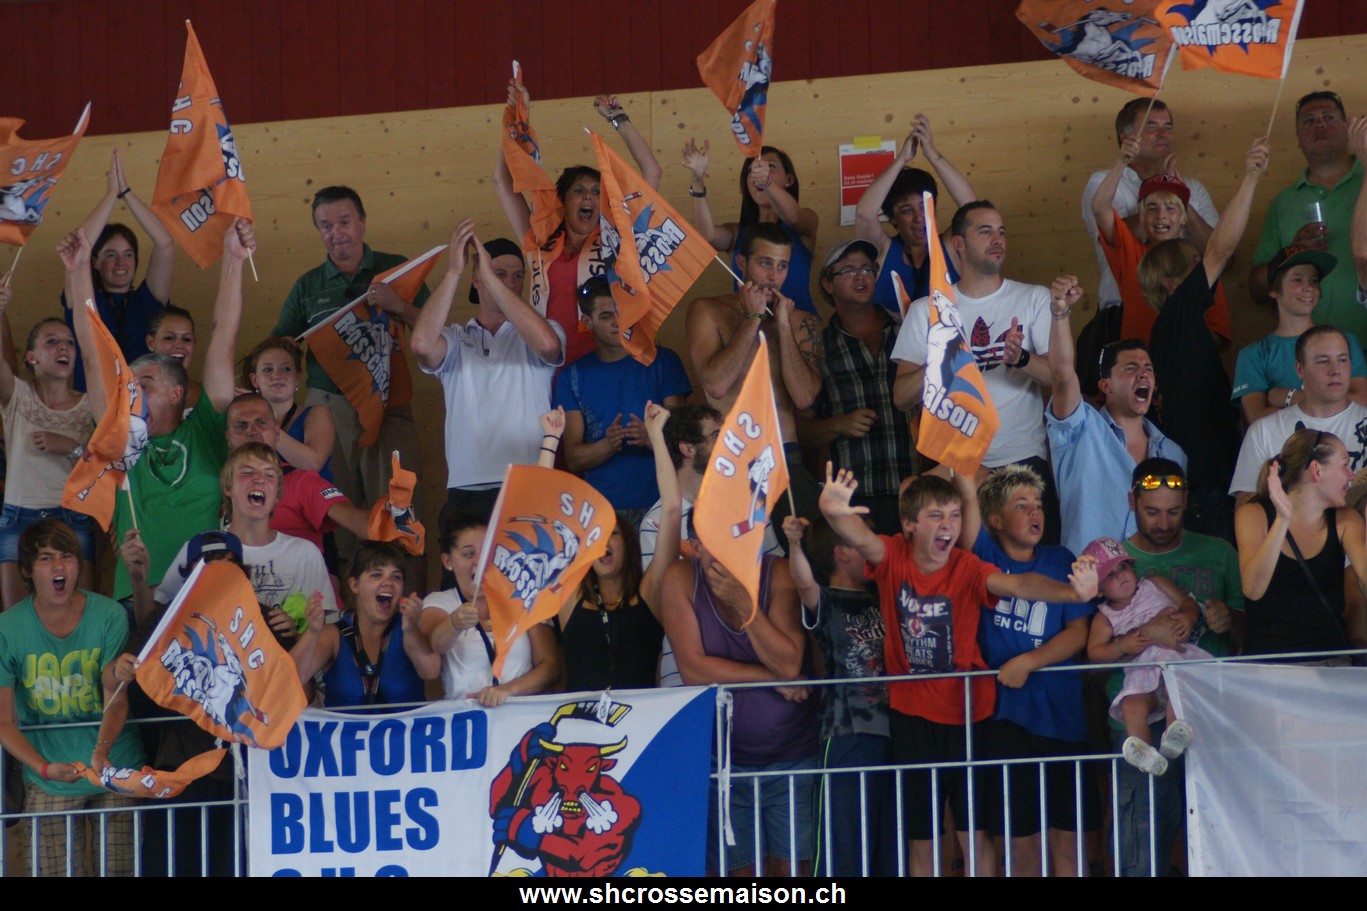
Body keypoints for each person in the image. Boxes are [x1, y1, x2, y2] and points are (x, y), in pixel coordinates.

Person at [818, 464, 1098, 877]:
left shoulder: (967, 566)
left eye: (953, 515)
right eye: (936, 516)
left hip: (970, 716)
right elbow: (857, 535)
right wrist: (832, 510)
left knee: (974, 836)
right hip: (912, 719)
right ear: (910, 525)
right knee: (923, 840)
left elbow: (1020, 585)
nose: (948, 525)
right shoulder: (893, 555)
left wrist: (1071, 592)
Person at [64, 218, 247, 606]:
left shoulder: (206, 428)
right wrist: (78, 271)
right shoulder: (120, 433)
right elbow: (91, 352)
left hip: (207, 597)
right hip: (138, 599)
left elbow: (224, 337)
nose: (131, 392)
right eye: (130, 385)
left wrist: (234, 259)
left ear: (177, 392)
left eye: (143, 383)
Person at [272, 185, 428, 559]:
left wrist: (398, 305)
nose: (336, 232)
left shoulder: (396, 269)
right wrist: (290, 349)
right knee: (338, 507)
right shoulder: (307, 286)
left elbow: (434, 332)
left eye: (344, 222)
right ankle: (348, 592)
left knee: (399, 506)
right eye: (326, 226)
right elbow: (278, 346)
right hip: (329, 408)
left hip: (388, 401)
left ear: (362, 222)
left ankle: (406, 589)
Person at [660, 511, 817, 877]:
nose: (729, 552)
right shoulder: (680, 578)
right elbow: (694, 671)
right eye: (715, 543)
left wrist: (746, 605)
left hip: (792, 756)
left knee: (794, 870)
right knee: (739, 874)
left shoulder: (777, 572)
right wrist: (769, 679)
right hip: (724, 762)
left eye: (735, 538)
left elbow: (789, 663)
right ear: (695, 548)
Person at [892, 201, 1060, 541]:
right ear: (959, 244)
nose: (997, 240)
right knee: (959, 568)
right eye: (985, 232)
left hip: (1022, 461)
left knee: (1031, 563)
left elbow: (1059, 379)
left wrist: (1022, 359)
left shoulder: (1034, 298)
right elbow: (901, 398)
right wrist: (939, 361)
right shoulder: (927, 310)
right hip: (956, 465)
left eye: (1001, 232)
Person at [960, 466, 1097, 878]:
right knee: (1021, 846)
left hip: (1063, 716)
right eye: (1021, 506)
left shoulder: (1061, 559)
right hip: (1007, 719)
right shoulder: (983, 555)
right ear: (995, 520)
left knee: (1069, 844)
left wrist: (1028, 662)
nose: (1034, 512)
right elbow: (966, 493)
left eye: (1038, 505)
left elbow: (1079, 633)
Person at [1137, 135, 1270, 538]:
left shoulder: (1178, 331)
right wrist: (1250, 179)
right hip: (1204, 490)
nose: (1204, 274)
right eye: (1194, 266)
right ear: (1174, 284)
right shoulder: (1176, 320)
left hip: (1207, 478)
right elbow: (1220, 250)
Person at [0, 519, 145, 877]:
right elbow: (3, 722)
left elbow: (115, 697)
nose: (59, 566)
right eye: (46, 558)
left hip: (114, 767)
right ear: (26, 571)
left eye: (67, 556)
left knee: (120, 870)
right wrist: (42, 767)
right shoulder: (8, 628)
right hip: (49, 774)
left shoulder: (109, 615)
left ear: (79, 566)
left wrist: (102, 752)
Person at [410, 219, 564, 524]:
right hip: (465, 487)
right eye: (499, 274)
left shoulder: (543, 330)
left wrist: (490, 278)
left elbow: (548, 345)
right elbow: (421, 345)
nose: (509, 282)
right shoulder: (456, 339)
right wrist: (454, 272)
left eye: (517, 276)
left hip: (527, 481)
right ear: (477, 281)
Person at [495, 88, 661, 364]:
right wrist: (514, 122)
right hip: (544, 366)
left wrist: (618, 118)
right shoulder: (539, 238)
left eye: (597, 192)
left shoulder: (616, 237)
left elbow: (652, 172)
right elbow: (502, 181)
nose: (589, 197)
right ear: (563, 200)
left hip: (602, 365)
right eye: (579, 190)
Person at [685, 221, 823, 528]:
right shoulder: (707, 310)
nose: (774, 276)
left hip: (784, 455)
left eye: (782, 266)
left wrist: (783, 326)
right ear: (742, 262)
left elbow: (804, 397)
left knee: (803, 550)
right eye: (765, 263)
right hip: (732, 457)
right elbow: (716, 384)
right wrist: (752, 319)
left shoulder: (802, 322)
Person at [780, 514, 896, 877]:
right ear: (842, 552)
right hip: (846, 734)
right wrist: (794, 544)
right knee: (843, 844)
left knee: (890, 845)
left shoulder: (884, 594)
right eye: (863, 540)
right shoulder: (827, 600)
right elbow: (804, 584)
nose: (873, 547)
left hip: (895, 732)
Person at [1045, 275, 1188, 556]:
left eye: (1148, 368)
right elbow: (1062, 375)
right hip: (1086, 578)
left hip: (1151, 580)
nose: (1143, 373)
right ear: (1105, 385)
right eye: (1131, 368)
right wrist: (1060, 313)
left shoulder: (1174, 453)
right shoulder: (1080, 430)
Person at [555, 403, 677, 692]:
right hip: (577, 719)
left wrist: (656, 435)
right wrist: (550, 441)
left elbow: (672, 509)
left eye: (613, 534)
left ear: (629, 544)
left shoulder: (650, 594)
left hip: (643, 719)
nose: (603, 542)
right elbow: (544, 525)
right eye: (595, 536)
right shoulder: (570, 599)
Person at [801, 239, 916, 535]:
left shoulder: (906, 329)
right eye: (849, 270)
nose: (861, 276)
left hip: (915, 489)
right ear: (828, 283)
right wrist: (839, 424)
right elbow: (800, 431)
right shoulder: (820, 346)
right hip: (854, 499)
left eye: (867, 269)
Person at [553, 278, 690, 526]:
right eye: (606, 316)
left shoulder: (663, 361)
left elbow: (687, 441)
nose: (617, 322)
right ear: (587, 321)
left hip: (664, 503)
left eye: (622, 313)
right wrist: (607, 445)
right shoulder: (571, 376)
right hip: (602, 509)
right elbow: (573, 459)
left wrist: (653, 439)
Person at [153, 442, 339, 624]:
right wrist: (140, 578)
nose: (259, 479)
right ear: (228, 487)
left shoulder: (305, 553)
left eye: (269, 475)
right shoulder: (201, 548)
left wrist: (295, 634)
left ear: (277, 495)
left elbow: (328, 631)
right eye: (247, 472)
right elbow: (159, 618)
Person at [0, 284, 95, 608]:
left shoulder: (90, 406)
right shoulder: (17, 396)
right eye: (51, 341)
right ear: (32, 357)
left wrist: (70, 446)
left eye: (69, 342)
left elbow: (103, 469)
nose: (63, 347)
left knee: (82, 617)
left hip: (73, 517)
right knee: (16, 621)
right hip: (18, 516)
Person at [1081, 99, 1219, 320]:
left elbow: (1220, 256)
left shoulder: (1193, 188)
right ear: (1126, 137)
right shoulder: (1104, 183)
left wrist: (1180, 197)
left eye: (1168, 127)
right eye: (1151, 126)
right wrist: (1160, 189)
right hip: (1123, 312)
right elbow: (1117, 239)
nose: (1163, 134)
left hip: (1189, 311)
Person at [1235, 429, 1367, 657]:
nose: (1351, 475)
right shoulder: (1253, 514)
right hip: (1267, 664)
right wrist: (1282, 520)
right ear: (1317, 470)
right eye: (1345, 465)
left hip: (1330, 663)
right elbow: (1253, 589)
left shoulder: (1345, 520)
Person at [1084, 537, 1206, 778]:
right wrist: (1120, 646)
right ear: (1098, 590)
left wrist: (1188, 617)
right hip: (1141, 671)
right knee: (1131, 706)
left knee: (1175, 689)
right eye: (1109, 575)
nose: (1120, 575)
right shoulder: (1105, 617)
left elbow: (1188, 603)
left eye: (1123, 566)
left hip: (1173, 659)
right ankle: (1146, 755)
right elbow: (1095, 653)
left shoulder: (1155, 583)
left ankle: (1173, 735)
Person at [1250, 92, 1364, 338]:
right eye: (1309, 121)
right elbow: (1258, 290)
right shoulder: (1283, 202)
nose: (1319, 124)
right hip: (1307, 351)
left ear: (1347, 128)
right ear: (1298, 138)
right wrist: (1292, 252)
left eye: (1328, 117)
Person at [418, 514, 562, 706]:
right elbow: (434, 645)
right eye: (469, 554)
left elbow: (551, 668)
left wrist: (507, 690)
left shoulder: (524, 595)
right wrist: (454, 623)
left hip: (523, 717)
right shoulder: (441, 601)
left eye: (488, 552)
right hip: (466, 718)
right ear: (447, 561)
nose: (480, 561)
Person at [62, 149, 175, 392]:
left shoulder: (147, 300)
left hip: (145, 406)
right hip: (93, 404)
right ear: (94, 261)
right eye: (110, 254)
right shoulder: (84, 295)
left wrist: (126, 193)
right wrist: (110, 196)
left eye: (128, 254)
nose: (121, 262)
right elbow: (80, 247)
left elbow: (165, 243)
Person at [1090, 158, 1232, 345]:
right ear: (1142, 217)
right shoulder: (1130, 253)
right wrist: (1123, 161)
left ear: (1183, 218)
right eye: (1152, 208)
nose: (1161, 215)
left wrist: (1186, 324)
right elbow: (1100, 208)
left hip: (1187, 360)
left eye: (1171, 208)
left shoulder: (1201, 266)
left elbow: (1219, 337)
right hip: (1139, 360)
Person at [1229, 325, 1367, 505]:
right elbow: (1246, 507)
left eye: (1342, 359)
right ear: (1300, 369)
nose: (1335, 370)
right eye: (1323, 361)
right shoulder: (1263, 431)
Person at [853, 114, 978, 312]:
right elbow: (864, 214)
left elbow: (973, 209)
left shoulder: (950, 247)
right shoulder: (884, 251)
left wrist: (932, 155)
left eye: (923, 206)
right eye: (906, 211)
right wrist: (902, 159)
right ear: (893, 218)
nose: (919, 218)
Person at [292, 540, 439, 708]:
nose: (388, 582)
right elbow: (289, 679)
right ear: (355, 585)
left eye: (396, 576)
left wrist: (412, 630)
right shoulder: (333, 635)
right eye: (376, 574)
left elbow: (431, 671)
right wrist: (312, 631)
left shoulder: (408, 629)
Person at [223, 393, 370, 555]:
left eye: (261, 423)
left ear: (277, 433)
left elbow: (354, 519)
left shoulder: (303, 481)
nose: (252, 431)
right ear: (228, 438)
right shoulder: (217, 483)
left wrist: (390, 515)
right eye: (241, 425)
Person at [1231, 248, 1367, 423]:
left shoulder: (1345, 341)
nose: (1309, 287)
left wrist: (1290, 397)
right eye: (1297, 279)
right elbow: (1257, 419)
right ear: (1274, 290)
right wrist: (1333, 403)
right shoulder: (1253, 354)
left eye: (1314, 280)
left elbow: (1361, 402)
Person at [681, 141, 819, 313]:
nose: (759, 172)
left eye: (770, 166)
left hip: (798, 326)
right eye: (752, 170)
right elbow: (707, 237)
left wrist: (767, 183)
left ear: (789, 179)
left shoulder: (806, 221)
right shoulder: (737, 232)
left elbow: (794, 217)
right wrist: (697, 181)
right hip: (751, 326)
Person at [1125, 458, 1242, 657]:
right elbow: (1093, 661)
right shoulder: (1113, 564)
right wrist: (1144, 635)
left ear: (1186, 500)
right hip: (1137, 677)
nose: (1163, 524)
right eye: (1152, 512)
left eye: (1173, 512)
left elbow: (1256, 633)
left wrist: (1230, 618)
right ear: (1132, 502)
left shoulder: (1221, 552)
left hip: (1210, 675)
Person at [240, 336, 335, 476]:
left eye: (286, 369)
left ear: (297, 377)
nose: (277, 375)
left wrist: (263, 420)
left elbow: (314, 463)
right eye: (267, 369)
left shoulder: (317, 413)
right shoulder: (243, 419)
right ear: (254, 380)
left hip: (309, 491)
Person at [146, 305, 201, 413]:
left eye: (186, 339)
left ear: (194, 343)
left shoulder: (208, 396)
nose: (179, 345)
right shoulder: (132, 394)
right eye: (169, 338)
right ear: (150, 343)